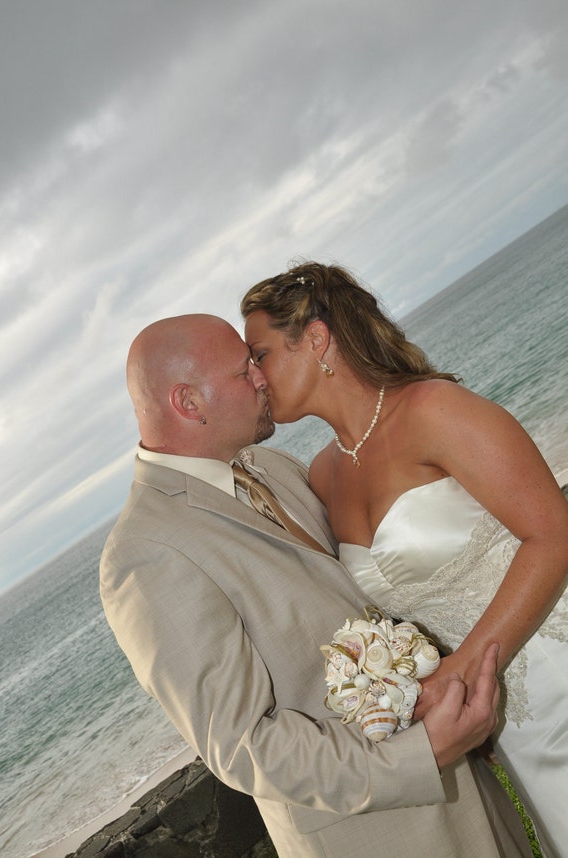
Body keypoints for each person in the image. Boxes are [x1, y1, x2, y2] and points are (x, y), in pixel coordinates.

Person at [100, 313, 532, 858]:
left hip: (465, 790)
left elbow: (363, 593)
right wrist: (423, 753)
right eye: (244, 370)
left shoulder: (271, 466)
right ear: (189, 402)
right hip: (375, 836)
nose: (263, 378)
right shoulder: (144, 553)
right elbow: (244, 746)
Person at [241, 262, 568, 858]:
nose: (253, 376)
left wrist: (463, 671)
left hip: (553, 658)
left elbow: (551, 534)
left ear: (315, 340)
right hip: (497, 716)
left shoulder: (433, 410)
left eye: (258, 353)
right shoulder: (321, 475)